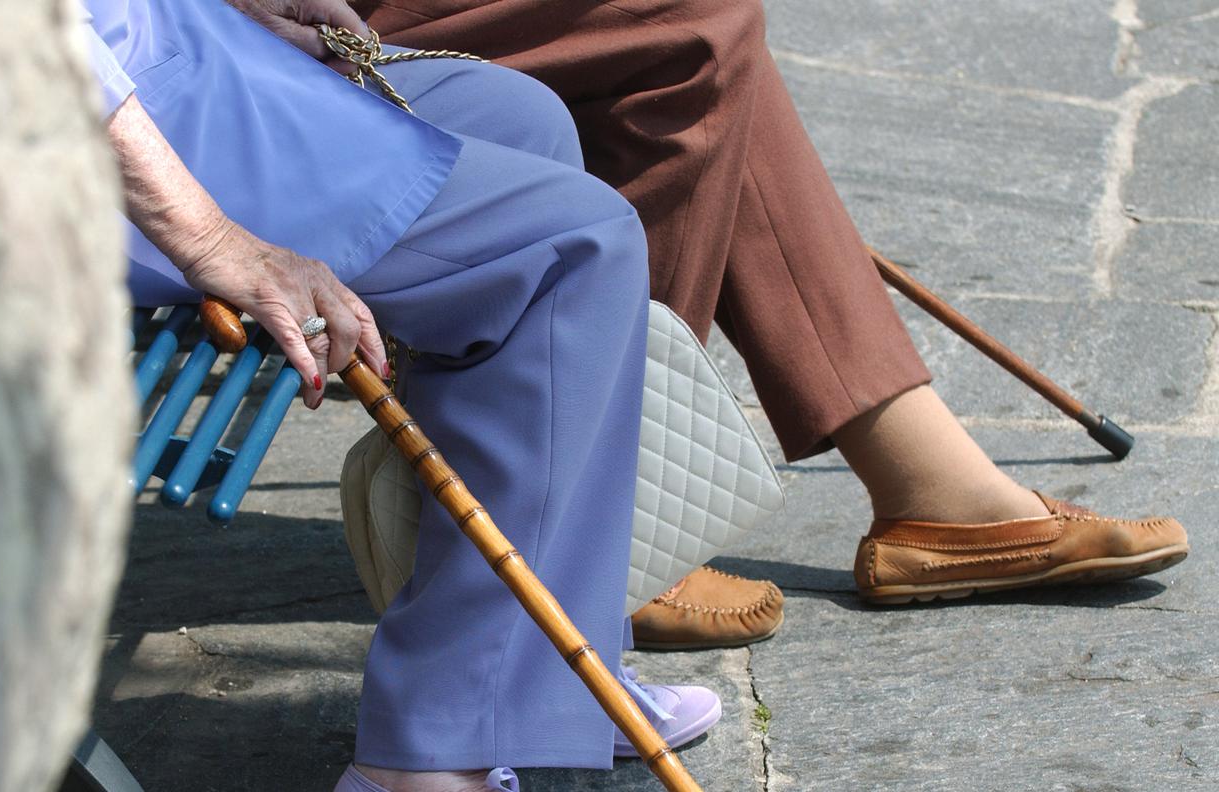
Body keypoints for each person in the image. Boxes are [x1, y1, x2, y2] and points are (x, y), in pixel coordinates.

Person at [351, 0, 1190, 634]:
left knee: (696, 43)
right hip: (264, 48)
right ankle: (602, 516)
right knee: (691, 24)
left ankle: (927, 486)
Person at [83, 1, 724, 788]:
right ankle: (426, 758)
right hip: (68, 140)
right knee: (569, 244)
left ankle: (545, 675)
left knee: (523, 120)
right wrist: (217, 241)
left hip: (160, 48)